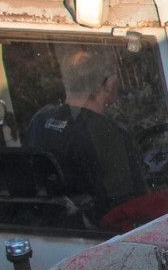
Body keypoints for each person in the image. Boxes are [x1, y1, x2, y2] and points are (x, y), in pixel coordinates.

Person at [27, 44, 147, 219]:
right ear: (109, 84)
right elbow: (132, 204)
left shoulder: (40, 120)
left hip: (46, 224)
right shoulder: (108, 133)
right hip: (100, 231)